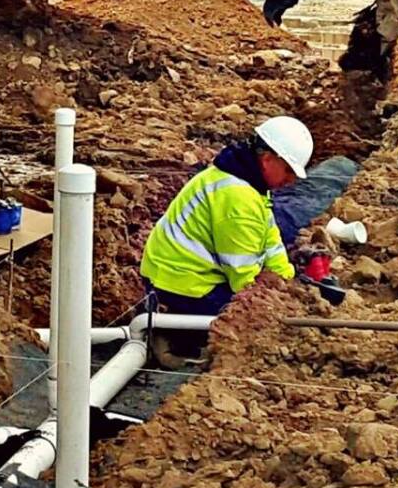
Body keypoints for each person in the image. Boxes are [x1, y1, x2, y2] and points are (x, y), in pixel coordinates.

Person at [138, 116, 356, 362]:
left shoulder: (249, 184)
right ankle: (174, 338)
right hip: (179, 288)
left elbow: (271, 240)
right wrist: (286, 304)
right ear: (267, 159)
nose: (291, 180)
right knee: (254, 321)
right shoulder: (237, 197)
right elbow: (244, 281)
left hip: (187, 277)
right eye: (288, 170)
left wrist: (288, 279)